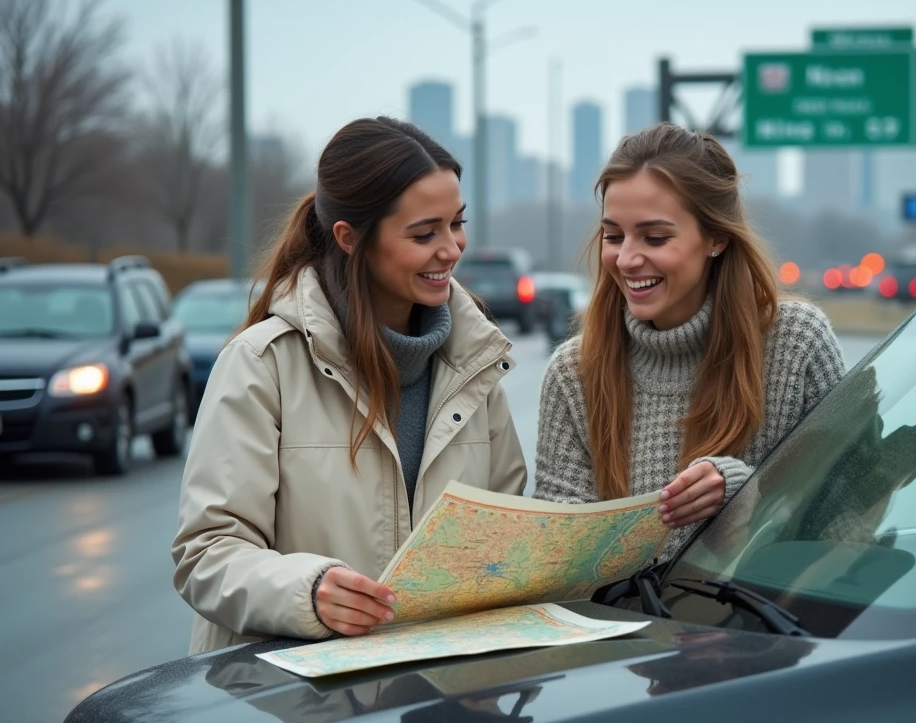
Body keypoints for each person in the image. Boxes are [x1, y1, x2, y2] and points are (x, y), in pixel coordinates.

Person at [172, 117, 526, 655]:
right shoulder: (262, 363)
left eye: (457, 223)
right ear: (349, 237)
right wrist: (307, 593)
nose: (452, 248)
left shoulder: (475, 364)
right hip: (287, 689)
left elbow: (506, 534)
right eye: (424, 233)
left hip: (442, 685)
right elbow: (207, 552)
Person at [534, 122, 845, 558]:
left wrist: (742, 496)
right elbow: (557, 551)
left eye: (655, 238)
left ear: (716, 237)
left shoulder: (797, 343)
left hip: (764, 604)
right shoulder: (574, 372)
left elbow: (848, 519)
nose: (626, 259)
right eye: (614, 236)